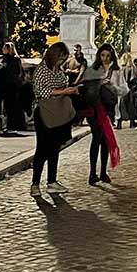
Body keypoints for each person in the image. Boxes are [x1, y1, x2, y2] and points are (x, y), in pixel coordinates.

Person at [31, 42, 81, 196]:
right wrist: (63, 91)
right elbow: (40, 91)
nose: (62, 61)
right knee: (42, 148)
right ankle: (35, 183)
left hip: (59, 112)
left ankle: (51, 181)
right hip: (44, 112)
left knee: (54, 148)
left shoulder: (59, 70)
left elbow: (62, 86)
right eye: (61, 58)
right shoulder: (41, 70)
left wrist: (70, 90)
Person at [82, 44, 123, 185]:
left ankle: (103, 172)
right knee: (96, 137)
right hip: (94, 108)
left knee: (105, 140)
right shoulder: (92, 70)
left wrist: (112, 87)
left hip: (108, 108)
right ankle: (92, 172)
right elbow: (84, 86)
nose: (105, 58)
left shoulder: (116, 71)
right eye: (102, 55)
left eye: (108, 56)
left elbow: (124, 89)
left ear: (112, 57)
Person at [0, 42, 27, 134]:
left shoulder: (14, 59)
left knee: (12, 106)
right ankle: (10, 125)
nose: (2, 49)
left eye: (4, 48)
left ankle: (12, 126)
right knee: (8, 106)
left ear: (9, 49)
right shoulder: (6, 58)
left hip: (12, 85)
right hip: (8, 85)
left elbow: (17, 72)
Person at [116, 51, 137, 129]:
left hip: (121, 89)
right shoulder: (132, 68)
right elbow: (134, 79)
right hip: (130, 89)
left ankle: (119, 124)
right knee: (131, 106)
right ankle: (132, 123)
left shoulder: (120, 69)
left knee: (121, 106)